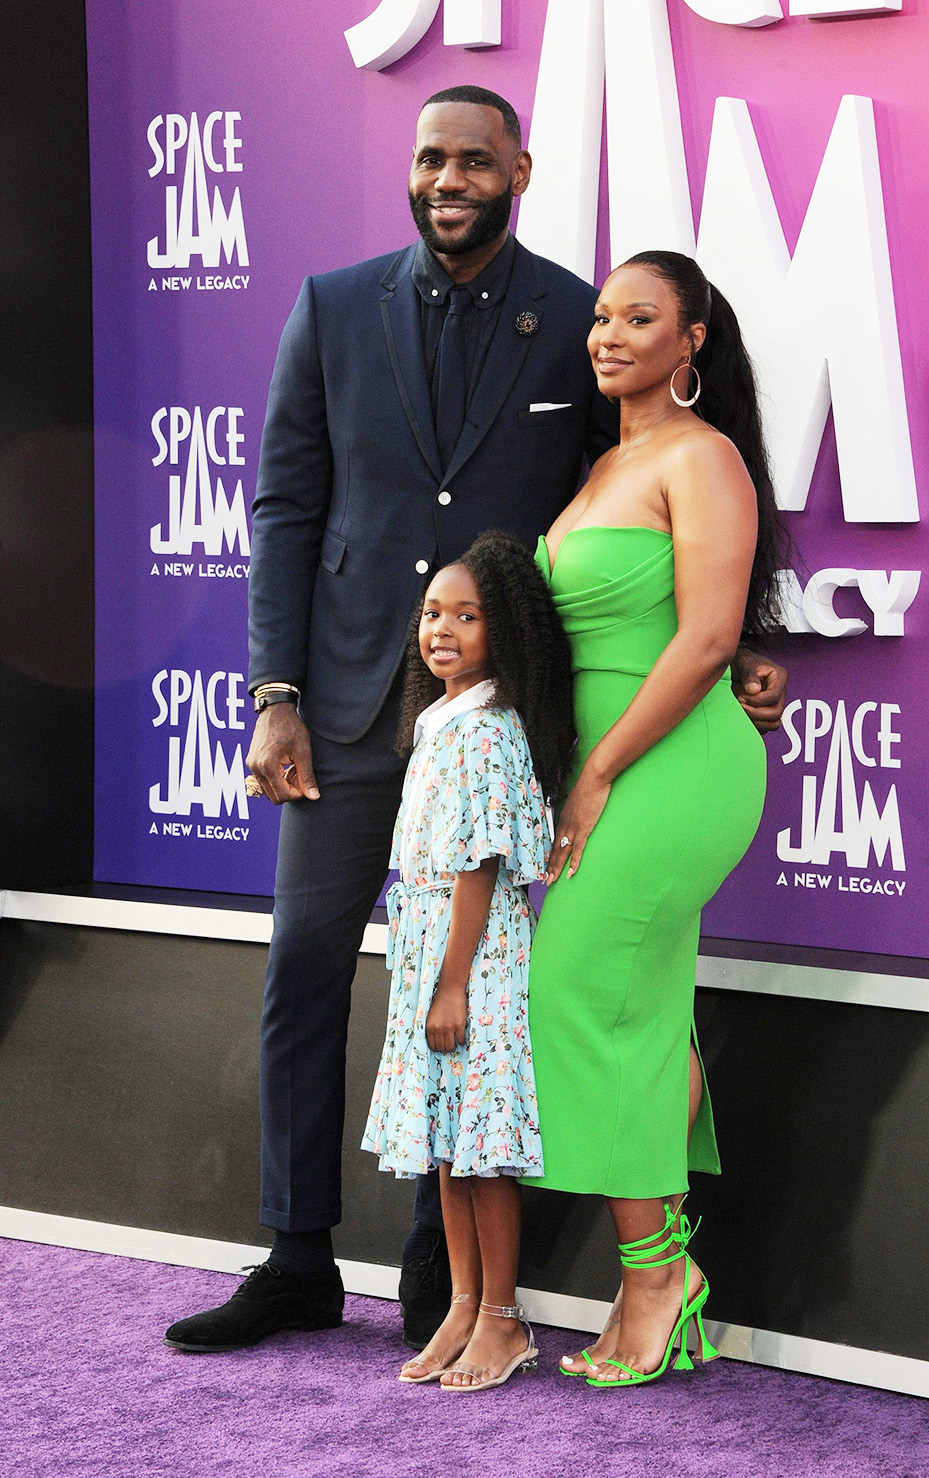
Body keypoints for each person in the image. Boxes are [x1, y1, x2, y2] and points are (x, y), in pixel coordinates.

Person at [164, 85, 787, 1356]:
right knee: (304, 972)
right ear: (413, 170)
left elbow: (657, 524)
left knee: (473, 991)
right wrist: (273, 692)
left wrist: (742, 654)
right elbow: (283, 507)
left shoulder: (575, 316)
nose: (450, 177)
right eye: (430, 157)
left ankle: (436, 1271)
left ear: (519, 168)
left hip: (506, 731)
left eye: (475, 159)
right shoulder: (332, 306)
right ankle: (294, 1255)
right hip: (340, 705)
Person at [528, 250, 784, 1388]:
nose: (609, 333)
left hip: (671, 764)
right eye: (599, 316)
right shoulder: (597, 468)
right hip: (605, 766)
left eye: (640, 317)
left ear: (691, 343)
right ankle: (667, 1272)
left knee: (577, 987)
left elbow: (706, 641)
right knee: (642, 1007)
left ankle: (653, 1276)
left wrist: (599, 773)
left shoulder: (703, 454)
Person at [362, 531, 574, 1390]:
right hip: (431, 954)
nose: (442, 628)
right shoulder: (441, 722)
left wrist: (450, 984)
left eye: (467, 615)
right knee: (449, 1143)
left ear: (505, 631)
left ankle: (503, 1317)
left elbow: (479, 865)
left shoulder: (488, 731)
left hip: (473, 963)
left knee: (482, 1149)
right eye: (432, 613)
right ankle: (460, 1302)